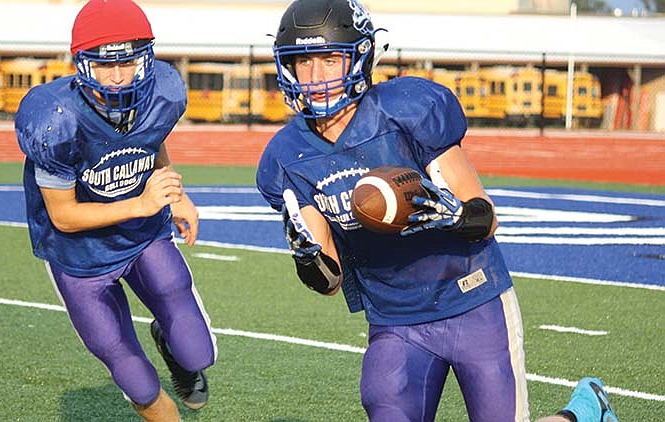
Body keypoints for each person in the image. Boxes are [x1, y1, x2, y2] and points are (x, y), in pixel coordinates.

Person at [256, 1, 619, 421]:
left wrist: (456, 216)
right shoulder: (288, 155)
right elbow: (330, 281)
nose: (316, 77)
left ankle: (583, 412)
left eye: (329, 58)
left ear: (360, 56)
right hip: (395, 320)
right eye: (303, 61)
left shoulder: (407, 111)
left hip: (472, 300)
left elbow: (486, 217)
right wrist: (306, 258)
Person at [15, 0, 217, 420]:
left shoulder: (162, 91)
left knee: (198, 350)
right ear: (80, 65)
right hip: (81, 258)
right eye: (105, 65)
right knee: (136, 380)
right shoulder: (55, 118)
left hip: (142, 236)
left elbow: (151, 136)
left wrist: (174, 190)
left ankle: (170, 344)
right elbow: (64, 215)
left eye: (128, 62)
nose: (119, 76)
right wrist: (142, 202)